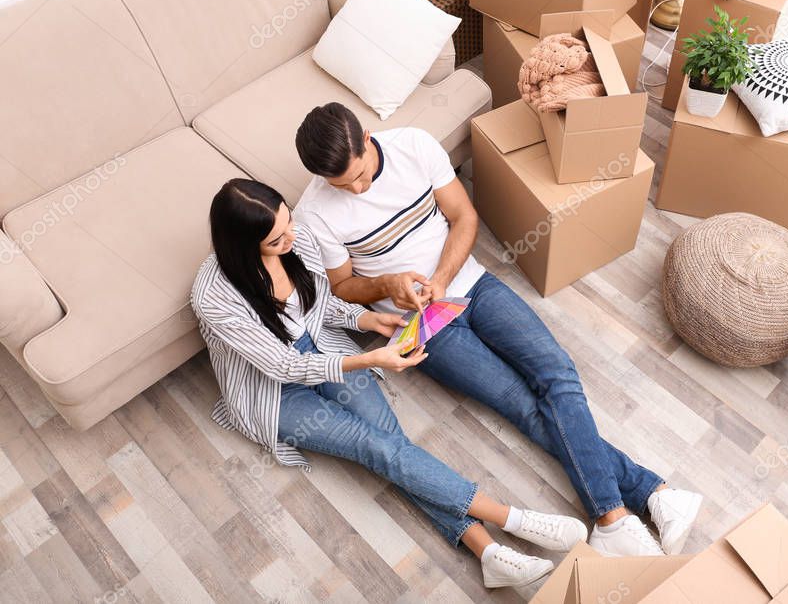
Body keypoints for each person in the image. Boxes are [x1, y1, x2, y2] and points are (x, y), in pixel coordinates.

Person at [292, 104, 704, 557]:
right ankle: (652, 496)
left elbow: (464, 217)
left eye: (362, 174)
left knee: (557, 374)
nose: (358, 188)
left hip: (471, 285)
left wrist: (443, 279)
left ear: (368, 137)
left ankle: (614, 513)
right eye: (343, 185)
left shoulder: (413, 145)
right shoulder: (314, 212)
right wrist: (386, 285)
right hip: (421, 326)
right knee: (522, 406)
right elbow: (344, 286)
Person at [191, 178, 591, 590]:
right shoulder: (213, 296)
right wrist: (369, 357)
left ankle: (488, 554)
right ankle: (511, 519)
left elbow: (320, 302)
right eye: (277, 239)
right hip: (274, 390)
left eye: (289, 222)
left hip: (324, 350)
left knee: (389, 443)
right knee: (376, 446)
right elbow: (282, 366)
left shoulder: (296, 238)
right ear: (244, 246)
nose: (292, 237)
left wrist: (368, 320)